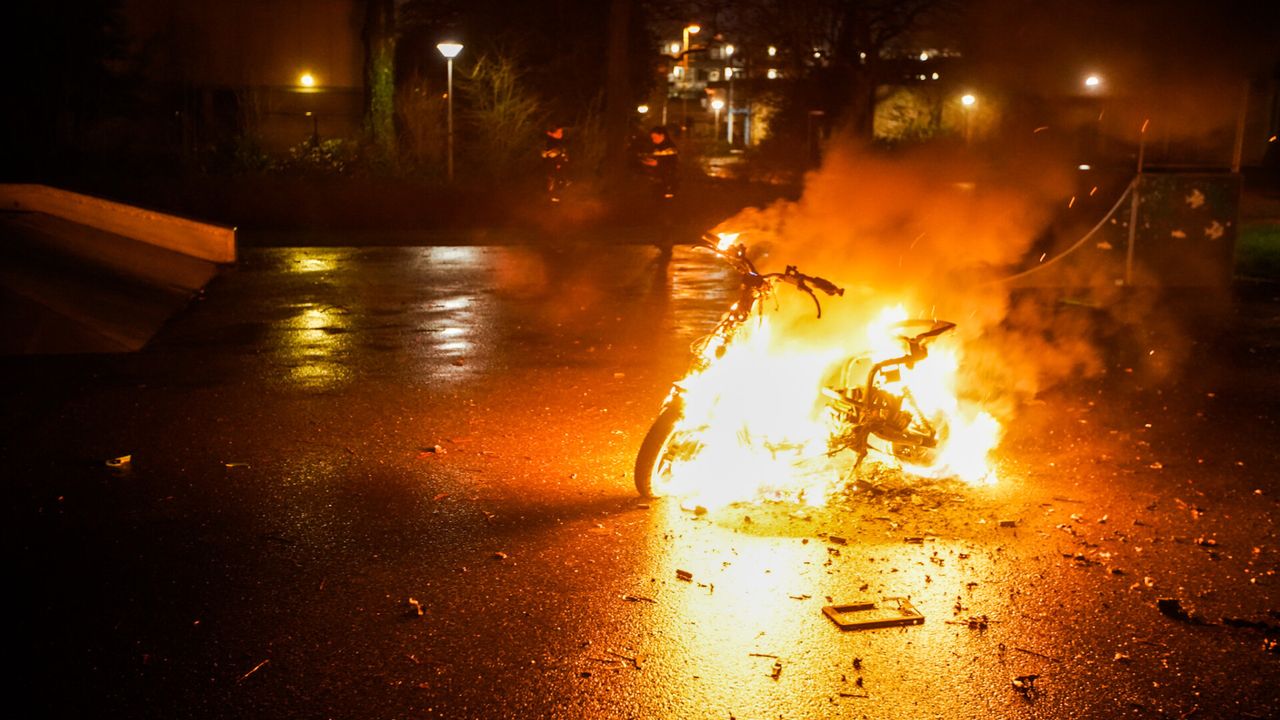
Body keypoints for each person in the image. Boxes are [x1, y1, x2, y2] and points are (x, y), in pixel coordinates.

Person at [640, 125, 679, 201]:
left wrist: (658, 164)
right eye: (652, 138)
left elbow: (673, 165)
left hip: (668, 184)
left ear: (662, 135)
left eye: (655, 137)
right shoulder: (655, 147)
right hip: (656, 183)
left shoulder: (671, 148)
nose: (653, 140)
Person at [541, 124, 569, 202]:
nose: (561, 134)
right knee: (552, 180)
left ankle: (557, 197)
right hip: (552, 168)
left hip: (560, 168)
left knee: (560, 180)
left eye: (561, 132)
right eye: (559, 132)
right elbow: (546, 154)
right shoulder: (549, 143)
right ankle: (551, 198)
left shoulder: (559, 142)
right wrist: (554, 153)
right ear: (550, 133)